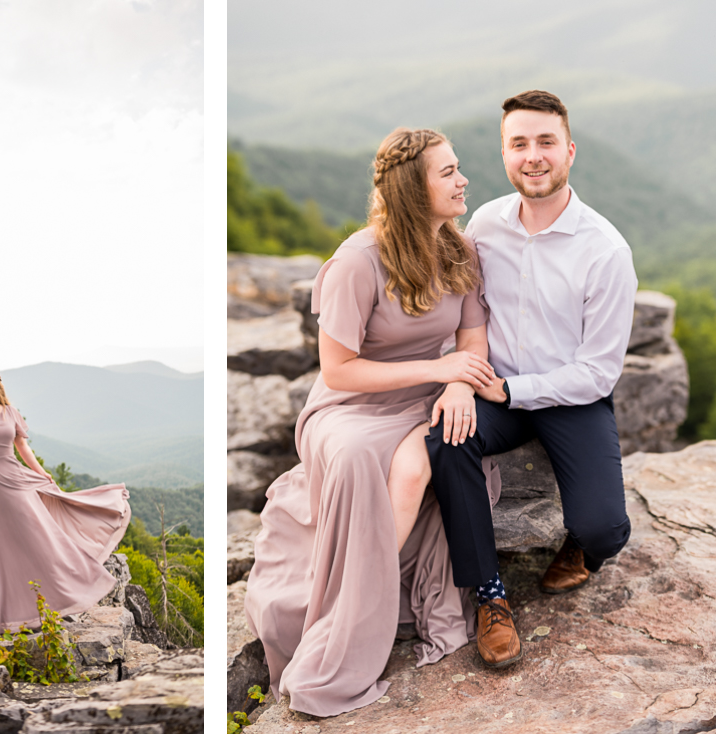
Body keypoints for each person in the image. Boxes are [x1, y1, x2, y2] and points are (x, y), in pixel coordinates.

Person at [244, 127, 498, 717]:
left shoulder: (461, 250)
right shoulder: (358, 261)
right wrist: (440, 366)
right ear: (414, 188)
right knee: (361, 457)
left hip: (429, 393)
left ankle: (365, 599)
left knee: (418, 468)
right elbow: (338, 371)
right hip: (351, 403)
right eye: (448, 173)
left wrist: (458, 382)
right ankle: (349, 622)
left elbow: (473, 342)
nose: (463, 181)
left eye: (458, 169)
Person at [426, 90, 638, 669]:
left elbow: (598, 372)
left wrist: (517, 391)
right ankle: (490, 595)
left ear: (569, 151)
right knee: (446, 438)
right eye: (519, 143)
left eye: (546, 142)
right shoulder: (486, 222)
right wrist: (458, 379)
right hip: (495, 387)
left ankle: (585, 545)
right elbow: (464, 311)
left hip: (568, 395)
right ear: (503, 153)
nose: (533, 156)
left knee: (603, 527)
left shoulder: (606, 252)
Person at [0, 367, 131, 634]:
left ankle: (56, 594)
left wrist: (41, 473)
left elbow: (22, 447)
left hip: (13, 479)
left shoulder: (10, 413)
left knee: (34, 536)